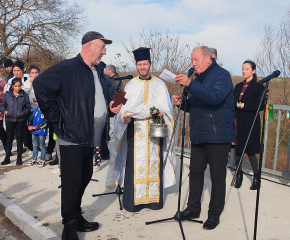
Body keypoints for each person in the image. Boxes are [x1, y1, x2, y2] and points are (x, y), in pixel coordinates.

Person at [33, 31, 120, 240]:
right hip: (71, 136)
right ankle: (69, 228)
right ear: (89, 46)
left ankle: (76, 216)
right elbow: (40, 85)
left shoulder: (96, 72)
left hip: (91, 136)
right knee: (72, 183)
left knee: (85, 176)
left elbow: (94, 100)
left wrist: (108, 108)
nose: (104, 52)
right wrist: (55, 117)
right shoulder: (68, 67)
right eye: (102, 47)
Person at [106, 47, 176, 212]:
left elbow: (168, 109)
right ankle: (132, 202)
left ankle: (153, 201)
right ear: (136, 65)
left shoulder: (160, 84)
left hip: (154, 129)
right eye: (139, 64)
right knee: (133, 164)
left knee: (154, 162)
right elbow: (121, 110)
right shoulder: (130, 85)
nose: (142, 67)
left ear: (150, 64)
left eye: (145, 64)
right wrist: (124, 118)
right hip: (135, 131)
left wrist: (162, 113)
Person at [172, 46, 235, 230]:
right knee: (195, 173)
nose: (193, 64)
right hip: (199, 133)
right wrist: (183, 103)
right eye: (191, 60)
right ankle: (193, 209)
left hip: (217, 135)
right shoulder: (198, 78)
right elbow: (197, 105)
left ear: (208, 58)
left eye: (196, 60)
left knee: (217, 177)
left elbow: (215, 97)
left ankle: (214, 214)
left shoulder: (222, 75)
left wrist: (191, 84)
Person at [233, 60, 265, 190]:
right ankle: (238, 175)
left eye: (247, 68)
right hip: (238, 120)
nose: (244, 71)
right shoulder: (238, 86)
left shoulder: (258, 87)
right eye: (242, 68)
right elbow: (233, 100)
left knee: (250, 151)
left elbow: (261, 105)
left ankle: (257, 178)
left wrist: (245, 105)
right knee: (238, 150)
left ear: (253, 71)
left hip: (251, 121)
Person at [0, 78, 30, 165]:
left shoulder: (24, 95)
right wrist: (4, 111)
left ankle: (19, 158)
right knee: (9, 138)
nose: (17, 88)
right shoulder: (8, 94)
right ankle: (7, 157)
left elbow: (28, 106)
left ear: (21, 86)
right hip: (9, 119)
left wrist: (24, 112)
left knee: (19, 138)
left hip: (20, 119)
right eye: (15, 86)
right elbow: (3, 105)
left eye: (19, 86)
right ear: (12, 86)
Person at [27, 102, 48, 166]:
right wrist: (29, 125)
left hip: (41, 131)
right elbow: (30, 118)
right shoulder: (35, 110)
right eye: (36, 102)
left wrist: (37, 127)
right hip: (34, 131)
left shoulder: (45, 110)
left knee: (42, 146)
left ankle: (42, 159)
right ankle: (34, 158)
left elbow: (46, 121)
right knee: (35, 146)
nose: (37, 103)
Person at [0, 73, 7, 152]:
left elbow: (6, 97)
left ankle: (7, 149)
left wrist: (1, 95)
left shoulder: (3, 83)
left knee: (1, 131)